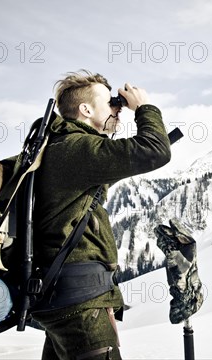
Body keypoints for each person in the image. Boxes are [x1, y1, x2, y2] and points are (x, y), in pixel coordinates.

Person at [31, 70, 171, 359]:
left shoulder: (58, 148)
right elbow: (155, 150)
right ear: (85, 109)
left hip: (62, 297)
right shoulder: (77, 148)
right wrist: (143, 108)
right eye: (109, 103)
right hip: (81, 304)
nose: (116, 109)